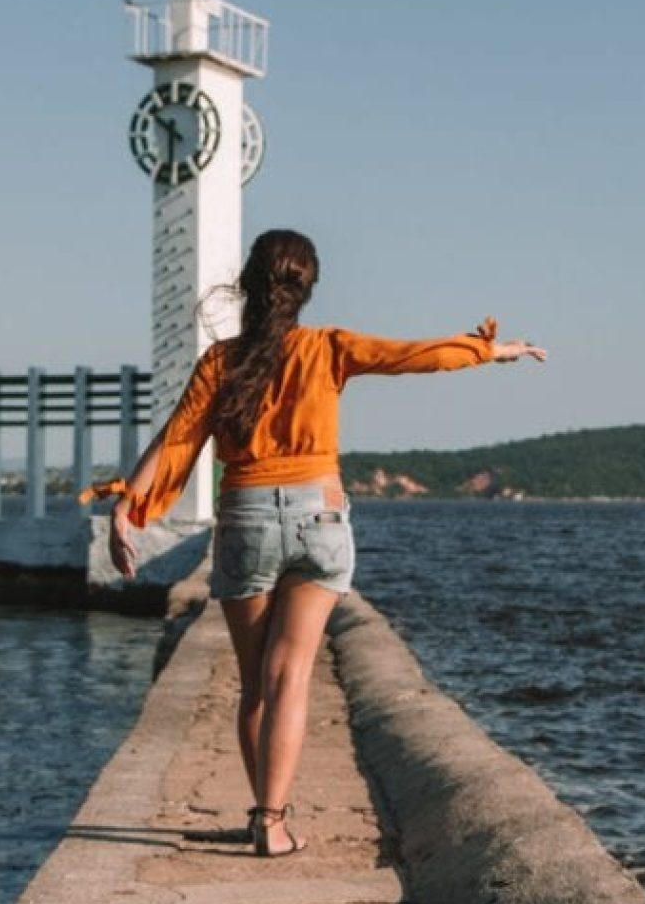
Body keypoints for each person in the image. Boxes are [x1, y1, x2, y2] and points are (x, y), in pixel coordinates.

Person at [93, 229, 547, 858]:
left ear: (249, 283)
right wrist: (486, 350)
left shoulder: (221, 362)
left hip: (247, 517)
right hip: (320, 518)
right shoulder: (328, 347)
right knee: (292, 677)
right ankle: (272, 822)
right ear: (305, 289)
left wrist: (129, 506)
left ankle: (263, 817)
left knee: (256, 683)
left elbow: (177, 438)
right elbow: (411, 355)